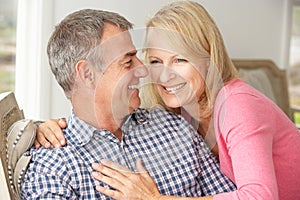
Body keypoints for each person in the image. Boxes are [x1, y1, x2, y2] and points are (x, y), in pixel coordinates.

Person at [89, 1, 300, 200]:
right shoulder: (181, 109)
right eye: (155, 61)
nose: (164, 76)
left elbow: (260, 196)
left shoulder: (237, 104)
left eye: (179, 59)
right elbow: (113, 120)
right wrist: (60, 128)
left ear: (208, 59)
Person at [21, 7, 235, 199]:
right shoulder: (52, 168)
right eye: (128, 62)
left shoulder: (176, 127)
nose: (143, 70)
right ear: (87, 74)